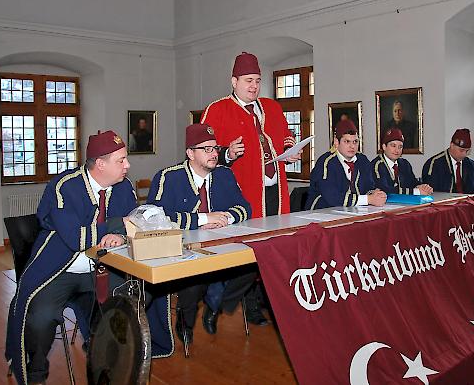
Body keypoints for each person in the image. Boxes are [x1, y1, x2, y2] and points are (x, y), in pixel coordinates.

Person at [6, 130, 172, 385]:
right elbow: (76, 238)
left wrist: (123, 235)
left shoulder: (123, 187)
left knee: (135, 298)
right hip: (61, 269)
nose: (128, 165)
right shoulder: (64, 186)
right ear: (101, 164)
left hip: (103, 269)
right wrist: (119, 225)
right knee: (40, 315)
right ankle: (35, 373)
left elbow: (136, 224)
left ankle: (106, 359)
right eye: (121, 160)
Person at [200, 52, 302, 325]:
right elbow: (201, 152)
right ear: (233, 81)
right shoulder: (217, 110)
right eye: (248, 80)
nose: (254, 86)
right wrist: (227, 153)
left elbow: (285, 134)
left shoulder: (271, 106)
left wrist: (291, 148)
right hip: (241, 193)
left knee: (274, 248)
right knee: (246, 253)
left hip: (274, 190)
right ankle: (234, 303)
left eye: (257, 80)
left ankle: (270, 302)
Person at [147, 124, 254, 344]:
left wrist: (225, 217)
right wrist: (203, 219)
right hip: (186, 251)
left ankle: (215, 306)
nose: (215, 154)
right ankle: (185, 322)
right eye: (206, 149)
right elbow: (154, 218)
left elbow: (245, 208)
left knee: (252, 267)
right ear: (190, 153)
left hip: (223, 246)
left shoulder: (225, 174)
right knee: (194, 282)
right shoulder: (168, 177)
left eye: (215, 148)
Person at [306, 119, 386, 209]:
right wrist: (368, 199)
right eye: (347, 141)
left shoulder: (362, 160)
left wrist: (376, 194)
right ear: (336, 142)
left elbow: (369, 187)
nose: (352, 146)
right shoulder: (326, 162)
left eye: (355, 142)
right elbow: (332, 197)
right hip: (320, 213)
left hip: (351, 211)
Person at [372, 128, 433, 195]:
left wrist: (422, 187)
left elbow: (413, 183)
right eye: (393, 146)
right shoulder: (377, 165)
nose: (397, 150)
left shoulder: (404, 164)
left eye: (400, 147)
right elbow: (384, 190)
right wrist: (416, 191)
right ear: (384, 147)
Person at [421, 128, 474, 194]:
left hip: (467, 203)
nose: (464, 154)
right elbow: (430, 192)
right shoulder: (435, 164)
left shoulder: (471, 165)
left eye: (467, 151)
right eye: (461, 150)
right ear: (452, 145)